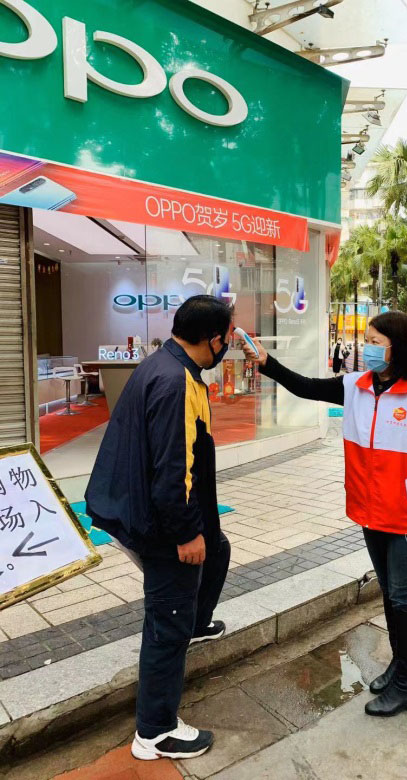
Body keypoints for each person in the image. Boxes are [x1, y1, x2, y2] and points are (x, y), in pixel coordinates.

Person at [241, 311, 407, 718]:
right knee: (390, 593)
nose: (366, 348)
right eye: (366, 340)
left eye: (375, 341)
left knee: (406, 599)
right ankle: (399, 667)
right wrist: (268, 364)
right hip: (371, 513)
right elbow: (306, 387)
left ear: (397, 347)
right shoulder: (355, 387)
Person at [86, 295, 233, 761]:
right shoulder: (175, 383)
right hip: (160, 523)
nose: (228, 345)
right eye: (227, 338)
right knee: (167, 620)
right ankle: (155, 731)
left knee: (218, 551)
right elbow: (172, 472)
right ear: (213, 340)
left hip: (153, 509)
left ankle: (195, 621)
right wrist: (185, 534)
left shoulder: (167, 365)